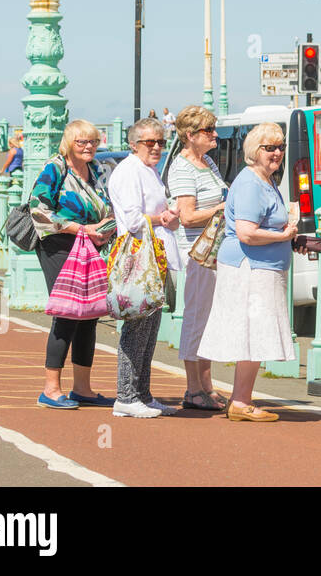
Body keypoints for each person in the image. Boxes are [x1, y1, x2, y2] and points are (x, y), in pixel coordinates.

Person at [198, 122, 297, 422]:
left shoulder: (265, 181)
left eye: (281, 147)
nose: (277, 153)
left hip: (262, 268)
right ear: (255, 151)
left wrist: (291, 237)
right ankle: (240, 401)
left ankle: (241, 399)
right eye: (270, 148)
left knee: (255, 334)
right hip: (251, 269)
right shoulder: (252, 183)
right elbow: (246, 233)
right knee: (253, 332)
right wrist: (284, 237)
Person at [29, 120, 114, 409]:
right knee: (67, 312)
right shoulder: (55, 167)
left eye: (92, 141)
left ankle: (83, 388)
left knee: (90, 314)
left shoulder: (97, 170)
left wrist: (105, 225)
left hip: (91, 244)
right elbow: (38, 209)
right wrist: (80, 228)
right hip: (59, 244)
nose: (89, 146)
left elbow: (106, 203)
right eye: (82, 142)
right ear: (69, 143)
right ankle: (50, 389)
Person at [107, 117, 182, 418]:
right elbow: (133, 218)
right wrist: (161, 218)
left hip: (155, 253)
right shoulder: (128, 171)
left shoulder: (147, 170)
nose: (156, 148)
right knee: (137, 325)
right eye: (150, 142)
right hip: (138, 255)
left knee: (150, 326)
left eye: (161, 142)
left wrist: (166, 216)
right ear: (134, 143)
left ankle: (143, 394)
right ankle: (126, 395)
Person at [166, 105, 228, 411]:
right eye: (208, 130)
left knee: (209, 318)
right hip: (196, 252)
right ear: (190, 136)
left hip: (214, 250)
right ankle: (192, 388)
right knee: (195, 316)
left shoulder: (208, 163)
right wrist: (220, 210)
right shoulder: (182, 168)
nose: (214, 134)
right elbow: (188, 216)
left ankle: (206, 385)